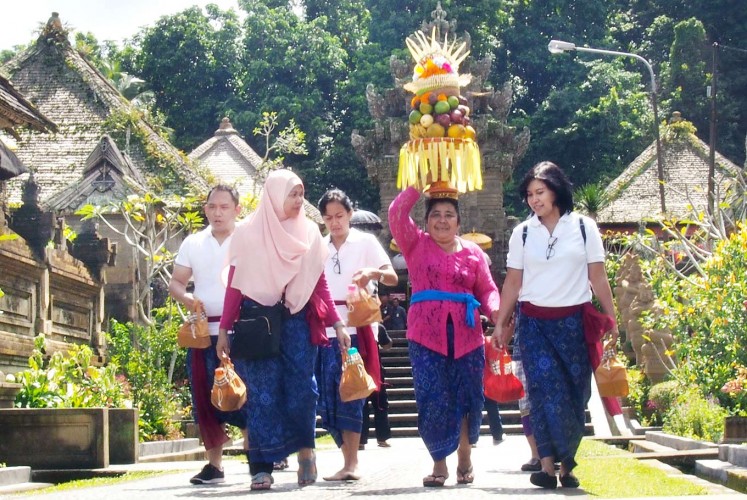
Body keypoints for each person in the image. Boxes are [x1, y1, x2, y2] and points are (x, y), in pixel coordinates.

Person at [217, 170, 348, 491]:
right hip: (256, 322)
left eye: (301, 193)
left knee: (303, 389)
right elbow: (235, 284)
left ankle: (306, 451)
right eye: (292, 193)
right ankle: (261, 467)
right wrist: (223, 329)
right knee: (261, 393)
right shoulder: (247, 233)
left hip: (297, 322)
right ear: (275, 195)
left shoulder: (310, 234)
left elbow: (319, 284)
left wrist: (337, 323)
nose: (298, 200)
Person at [492, 161, 619, 490]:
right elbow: (512, 283)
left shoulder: (583, 227)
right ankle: (547, 467)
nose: (534, 200)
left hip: (574, 323)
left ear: (557, 190)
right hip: (533, 324)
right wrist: (500, 324)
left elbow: (598, 275)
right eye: (530, 195)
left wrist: (611, 317)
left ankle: (568, 465)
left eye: (540, 192)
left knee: (576, 395)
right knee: (543, 392)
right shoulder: (522, 232)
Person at [389, 186, 501, 487]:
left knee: (467, 396)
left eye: (449, 215)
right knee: (433, 397)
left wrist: (496, 312)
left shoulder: (474, 252)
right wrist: (416, 185)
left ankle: (464, 455)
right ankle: (439, 463)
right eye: (435, 215)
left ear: (459, 222)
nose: (442, 220)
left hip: (467, 335)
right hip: (426, 336)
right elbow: (396, 214)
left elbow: (488, 289)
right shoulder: (415, 244)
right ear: (425, 222)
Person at [168, 184, 249, 485]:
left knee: (244, 390)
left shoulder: (247, 239)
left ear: (236, 209)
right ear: (205, 209)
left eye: (224, 207)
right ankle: (214, 464)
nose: (217, 213)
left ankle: (255, 451)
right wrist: (188, 299)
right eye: (212, 206)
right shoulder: (193, 242)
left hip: (241, 328)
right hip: (203, 330)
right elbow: (177, 282)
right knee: (204, 394)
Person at [316, 188, 398, 481]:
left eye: (339, 215)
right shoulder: (319, 246)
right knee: (328, 396)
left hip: (359, 326)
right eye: (328, 217)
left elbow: (392, 276)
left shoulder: (366, 242)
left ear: (349, 214)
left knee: (351, 393)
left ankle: (352, 463)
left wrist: (370, 273)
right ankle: (345, 458)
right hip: (326, 328)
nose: (335, 222)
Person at [360, 324, 393, 449]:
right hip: (375, 372)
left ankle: (361, 441)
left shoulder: (353, 326)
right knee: (380, 405)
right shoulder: (377, 326)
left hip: (360, 371)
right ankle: (382, 438)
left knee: (362, 407)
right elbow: (387, 345)